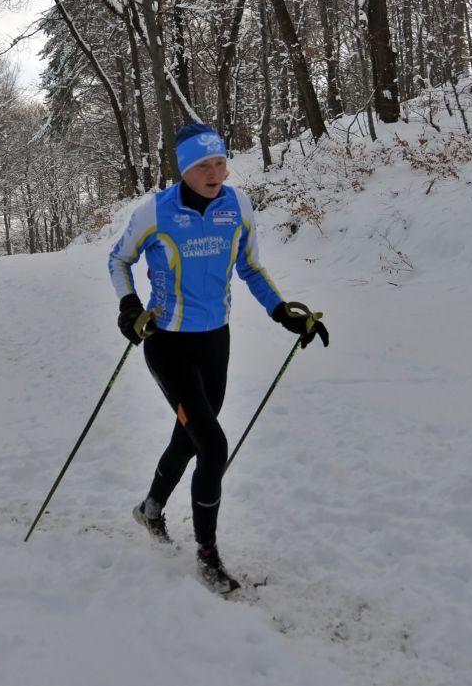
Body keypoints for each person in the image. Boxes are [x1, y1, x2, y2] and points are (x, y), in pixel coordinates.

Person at [108, 121, 329, 592]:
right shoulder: (155, 212)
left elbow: (249, 267)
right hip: (167, 344)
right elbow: (118, 259)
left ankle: (149, 509)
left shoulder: (238, 206)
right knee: (212, 445)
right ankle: (207, 554)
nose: (215, 173)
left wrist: (282, 312)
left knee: (189, 440)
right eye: (203, 165)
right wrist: (129, 306)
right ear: (184, 169)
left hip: (215, 343)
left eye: (221, 162)